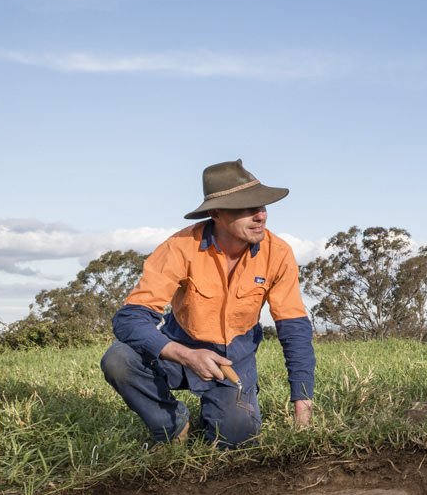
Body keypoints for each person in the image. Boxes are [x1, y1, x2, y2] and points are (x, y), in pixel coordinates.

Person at [101, 159, 314, 448]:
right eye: (246, 208)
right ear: (215, 213)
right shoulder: (179, 247)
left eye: (262, 206)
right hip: (178, 349)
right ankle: (171, 425)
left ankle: (223, 409)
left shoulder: (278, 254)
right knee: (119, 359)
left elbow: (294, 328)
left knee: (237, 441)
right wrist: (186, 356)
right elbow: (129, 319)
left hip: (233, 361)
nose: (260, 216)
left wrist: (302, 399)